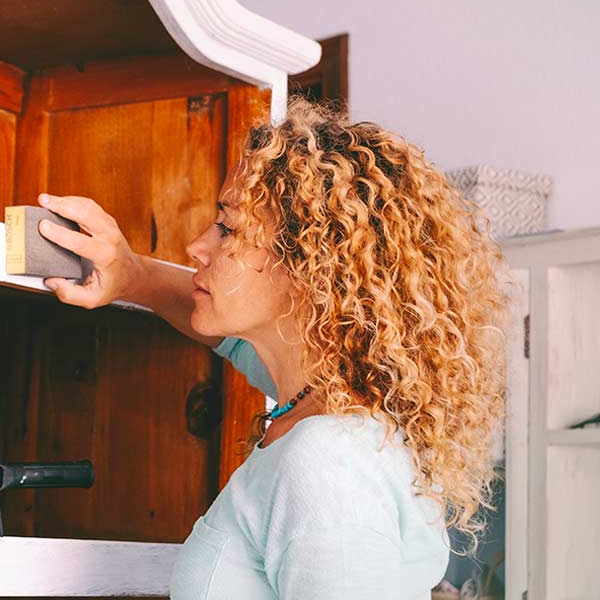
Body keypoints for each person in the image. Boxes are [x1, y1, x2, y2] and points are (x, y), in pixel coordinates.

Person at [35, 98, 506, 599]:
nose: (197, 245)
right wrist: (131, 275)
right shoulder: (322, 402)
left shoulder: (327, 458)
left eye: (228, 227)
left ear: (311, 266)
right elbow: (229, 338)